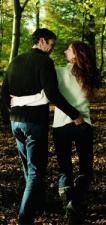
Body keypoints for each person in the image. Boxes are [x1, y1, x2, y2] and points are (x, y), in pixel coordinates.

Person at [0, 28, 83, 225]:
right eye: (52, 45)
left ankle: (38, 203)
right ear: (42, 41)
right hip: (34, 123)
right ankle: (24, 218)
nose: (52, 50)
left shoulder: (16, 61)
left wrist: (8, 116)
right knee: (36, 171)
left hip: (16, 122)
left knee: (28, 169)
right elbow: (53, 94)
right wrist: (74, 114)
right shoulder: (44, 62)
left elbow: (4, 92)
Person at [52, 41, 96, 224]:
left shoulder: (59, 71)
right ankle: (75, 203)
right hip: (83, 124)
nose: (64, 51)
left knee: (64, 168)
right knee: (85, 167)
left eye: (68, 49)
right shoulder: (90, 74)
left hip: (61, 125)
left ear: (76, 54)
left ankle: (68, 205)